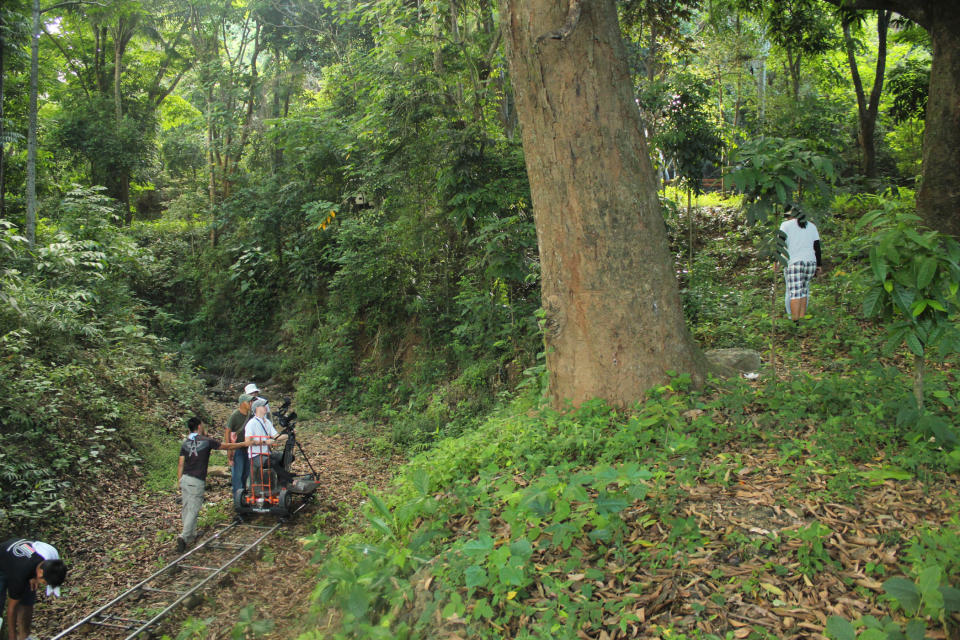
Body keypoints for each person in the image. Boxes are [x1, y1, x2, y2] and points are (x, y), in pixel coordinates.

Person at [177, 417, 250, 552]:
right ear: (199, 427)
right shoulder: (206, 441)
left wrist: (179, 480)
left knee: (186, 507)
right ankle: (184, 536)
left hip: (185, 479)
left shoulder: (185, 442)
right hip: (196, 480)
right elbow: (226, 446)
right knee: (193, 508)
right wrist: (244, 444)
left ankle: (190, 534)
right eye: (203, 425)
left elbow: (181, 463)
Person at [0, 538, 67, 640]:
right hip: (3, 563)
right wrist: (12, 637)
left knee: (28, 597)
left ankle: (24, 637)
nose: (43, 585)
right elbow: (11, 609)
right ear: (40, 574)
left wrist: (33, 577)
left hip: (23, 562)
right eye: (44, 583)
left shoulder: (52, 559)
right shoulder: (20, 574)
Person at [779, 207, 823, 322]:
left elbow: (780, 243)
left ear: (791, 216)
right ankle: (802, 320)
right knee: (803, 291)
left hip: (795, 262)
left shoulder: (786, 225)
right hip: (810, 263)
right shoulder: (812, 226)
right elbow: (817, 248)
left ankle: (795, 323)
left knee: (794, 293)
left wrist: (776, 260)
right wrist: (819, 265)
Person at [244, 398, 287, 499]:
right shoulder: (251, 423)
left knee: (287, 457)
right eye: (263, 406)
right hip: (256, 456)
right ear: (257, 408)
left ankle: (280, 482)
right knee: (273, 462)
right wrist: (264, 442)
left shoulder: (266, 421)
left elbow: (276, 436)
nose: (266, 408)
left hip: (267, 454)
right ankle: (287, 480)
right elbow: (247, 442)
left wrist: (288, 434)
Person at [225, 394, 254, 499]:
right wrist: (229, 448)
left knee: (246, 472)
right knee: (237, 473)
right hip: (237, 448)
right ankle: (238, 498)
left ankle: (243, 495)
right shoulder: (235, 415)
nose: (251, 404)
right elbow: (227, 431)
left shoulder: (251, 416)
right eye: (249, 402)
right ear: (243, 403)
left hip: (248, 448)